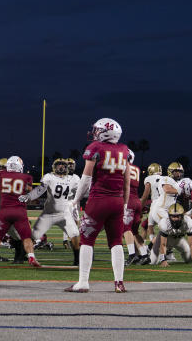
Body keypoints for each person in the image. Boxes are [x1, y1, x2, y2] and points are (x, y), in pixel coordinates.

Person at [65, 118, 131, 294]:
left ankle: (83, 282)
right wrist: (124, 204)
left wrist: (76, 200)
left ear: (104, 132)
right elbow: (127, 183)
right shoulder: (125, 150)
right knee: (116, 242)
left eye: (97, 130)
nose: (95, 133)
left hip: (98, 201)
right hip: (117, 202)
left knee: (87, 241)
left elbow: (86, 179)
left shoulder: (95, 147)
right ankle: (119, 283)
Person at [0, 156, 41, 267]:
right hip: (20, 211)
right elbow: (30, 192)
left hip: (4, 211)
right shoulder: (26, 177)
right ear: (19, 166)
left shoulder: (1, 175)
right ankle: (31, 257)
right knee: (26, 237)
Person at [21, 158, 80, 265]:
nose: (61, 167)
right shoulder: (49, 177)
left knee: (75, 234)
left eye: (63, 165)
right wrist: (29, 196)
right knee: (33, 235)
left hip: (64, 213)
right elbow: (40, 190)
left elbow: (82, 190)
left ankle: (78, 259)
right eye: (59, 165)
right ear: (54, 167)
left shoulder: (73, 179)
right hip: (49, 213)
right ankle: (21, 255)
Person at [123, 150, 148, 265]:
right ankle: (144, 254)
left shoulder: (123, 167)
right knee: (134, 231)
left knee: (125, 228)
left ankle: (132, 255)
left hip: (128, 201)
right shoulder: (137, 168)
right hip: (137, 201)